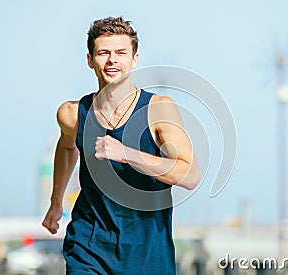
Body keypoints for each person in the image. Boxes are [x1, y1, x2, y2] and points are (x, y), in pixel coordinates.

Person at [42, 16, 199, 274]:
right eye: (103, 53)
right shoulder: (72, 114)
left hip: (147, 251)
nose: (112, 59)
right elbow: (68, 147)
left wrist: (126, 153)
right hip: (89, 246)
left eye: (121, 52)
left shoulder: (157, 110)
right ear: (90, 60)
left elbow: (190, 174)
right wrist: (56, 201)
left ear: (134, 59)